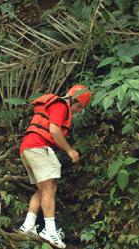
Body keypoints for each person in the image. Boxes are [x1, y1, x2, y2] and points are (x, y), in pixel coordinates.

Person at [18, 85, 92, 248]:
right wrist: (70, 151)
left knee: (44, 189)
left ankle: (28, 226)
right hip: (38, 147)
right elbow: (54, 130)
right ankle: (50, 231)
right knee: (50, 188)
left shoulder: (57, 105)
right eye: (79, 106)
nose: (79, 110)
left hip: (27, 148)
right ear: (72, 99)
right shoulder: (60, 105)